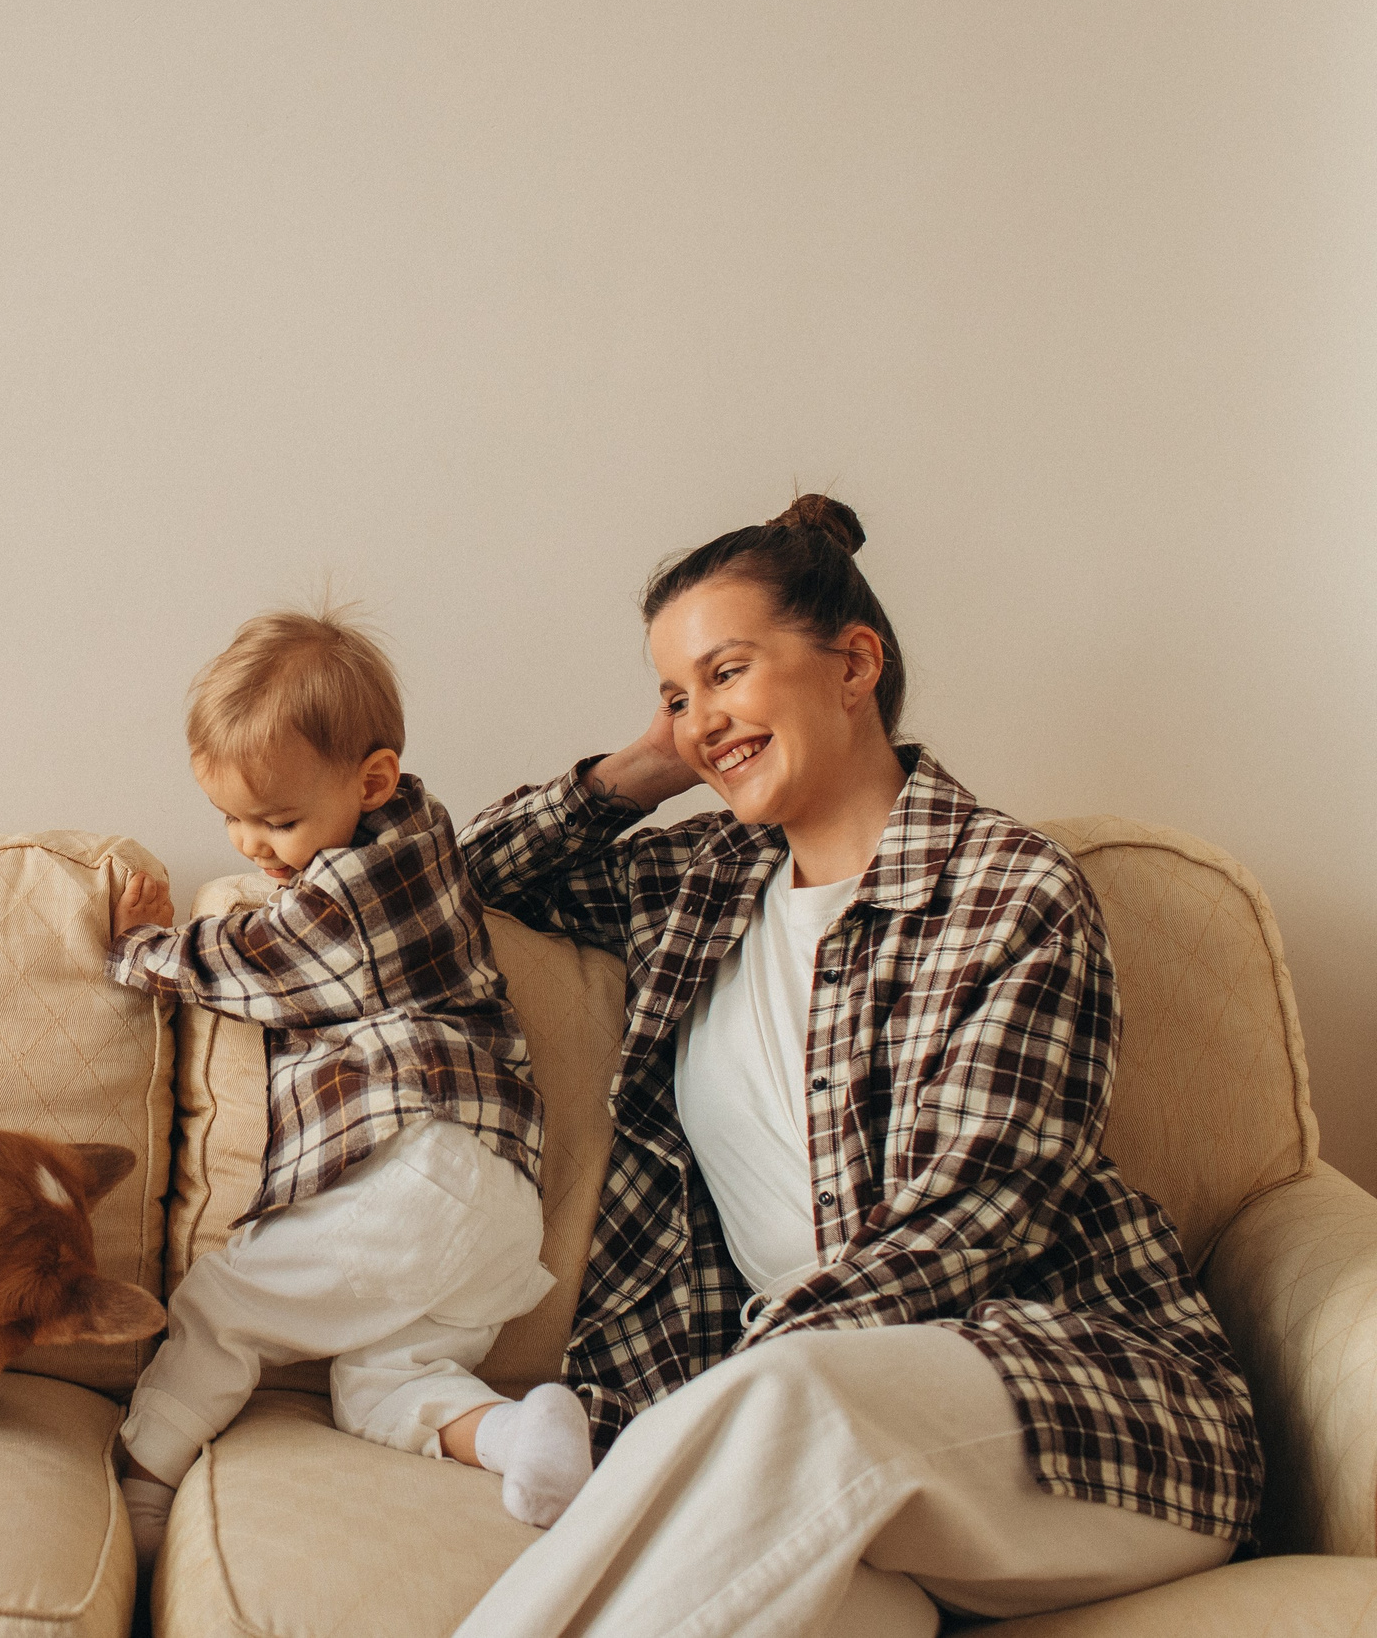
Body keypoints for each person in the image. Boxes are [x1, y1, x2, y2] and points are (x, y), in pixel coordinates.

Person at [450, 496, 1260, 1637]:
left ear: (853, 664)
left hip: (1085, 1418)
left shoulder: (1006, 891)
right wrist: (648, 760)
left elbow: (973, 1214)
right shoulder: (697, 886)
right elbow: (450, 888)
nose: (703, 719)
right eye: (678, 693)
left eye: (727, 673)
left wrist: (734, 1388)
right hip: (839, 1463)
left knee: (791, 1395)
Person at [106, 605, 596, 1567]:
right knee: (379, 1380)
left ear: (371, 780)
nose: (251, 844)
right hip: (492, 1215)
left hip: (421, 1169)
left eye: (277, 819)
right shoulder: (423, 833)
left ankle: (146, 1473)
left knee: (220, 1301)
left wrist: (135, 948)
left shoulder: (346, 899)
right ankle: (519, 1437)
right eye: (231, 820)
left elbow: (247, 963)